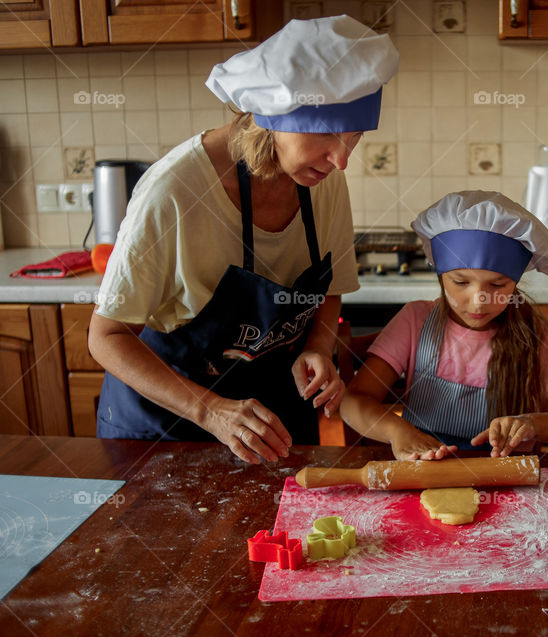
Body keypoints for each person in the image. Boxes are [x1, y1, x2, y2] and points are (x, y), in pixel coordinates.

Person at [88, 17, 399, 464]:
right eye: (329, 133)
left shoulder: (323, 179)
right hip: (167, 430)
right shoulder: (175, 190)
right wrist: (210, 410)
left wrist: (316, 348)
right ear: (274, 113)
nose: (342, 160)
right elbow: (107, 335)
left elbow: (329, 292)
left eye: (354, 138)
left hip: (271, 421)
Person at [340, 191, 548, 460]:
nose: (478, 303)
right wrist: (397, 431)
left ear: (515, 283)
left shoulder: (537, 335)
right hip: (426, 469)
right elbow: (355, 401)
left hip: (507, 479)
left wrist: (532, 424)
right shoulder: (415, 321)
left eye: (497, 285)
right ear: (440, 277)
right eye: (460, 283)